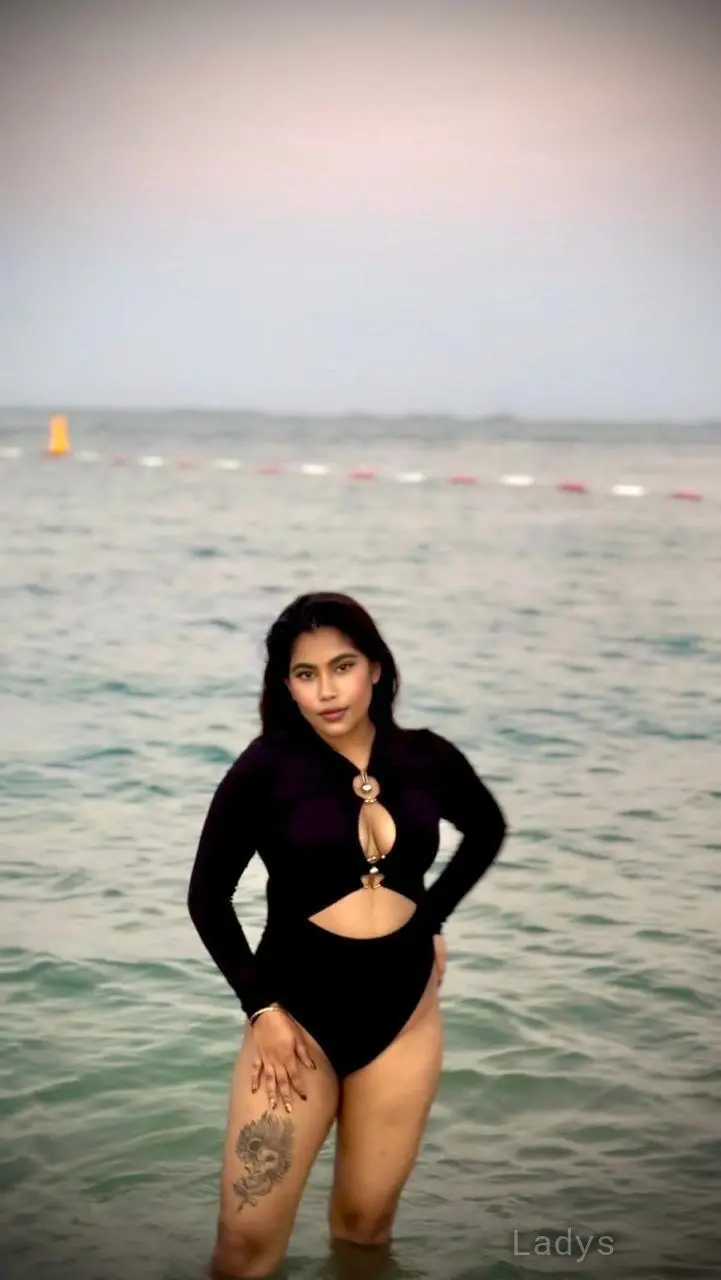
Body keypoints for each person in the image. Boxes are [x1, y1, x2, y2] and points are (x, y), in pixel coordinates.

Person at [187, 591, 507, 1279]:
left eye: (342, 666)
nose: (327, 691)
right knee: (244, 1251)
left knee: (365, 1231)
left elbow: (486, 829)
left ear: (376, 669)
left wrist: (431, 918)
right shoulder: (265, 768)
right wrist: (261, 1010)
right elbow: (207, 897)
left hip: (403, 1021)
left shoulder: (425, 757)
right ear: (286, 685)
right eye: (306, 674)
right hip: (295, 1024)